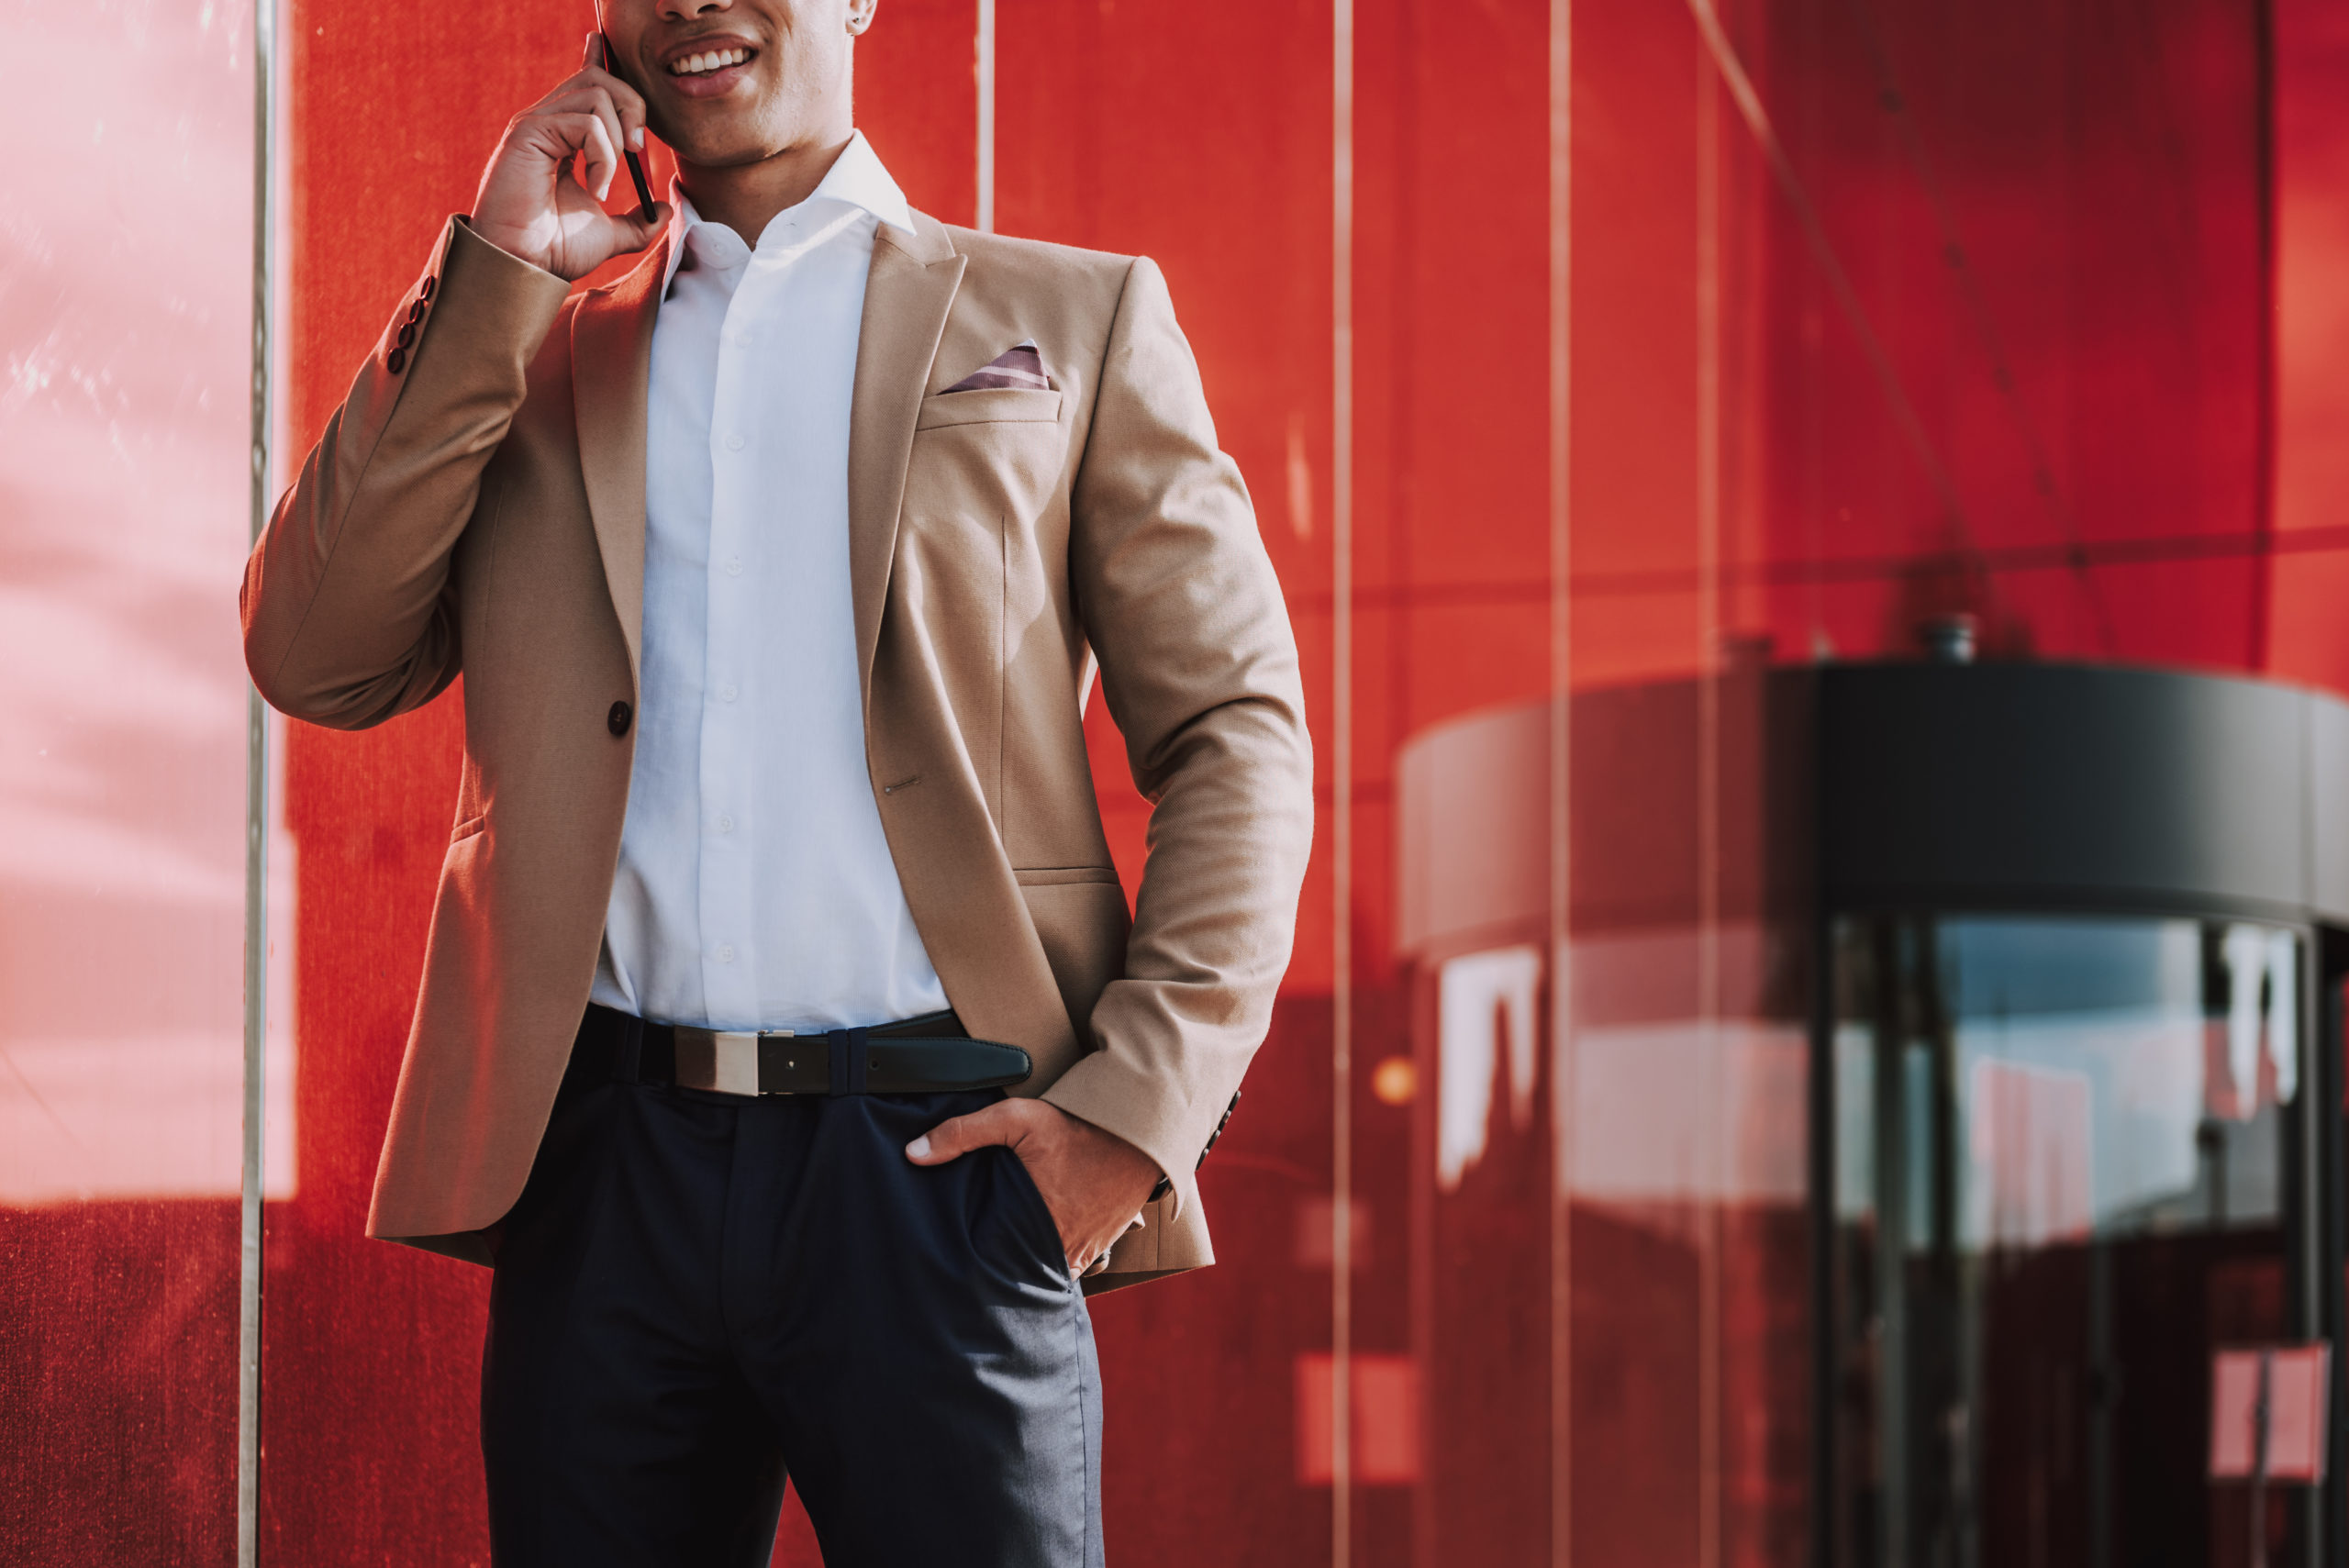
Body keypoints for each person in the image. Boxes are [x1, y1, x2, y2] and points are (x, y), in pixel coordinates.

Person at [239, 0, 1312, 1561]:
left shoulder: (1073, 319)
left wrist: (1132, 1122)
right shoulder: (525, 340)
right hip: (606, 1175)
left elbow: (1238, 731)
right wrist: (497, 270)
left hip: (945, 1181)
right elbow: (312, 651)